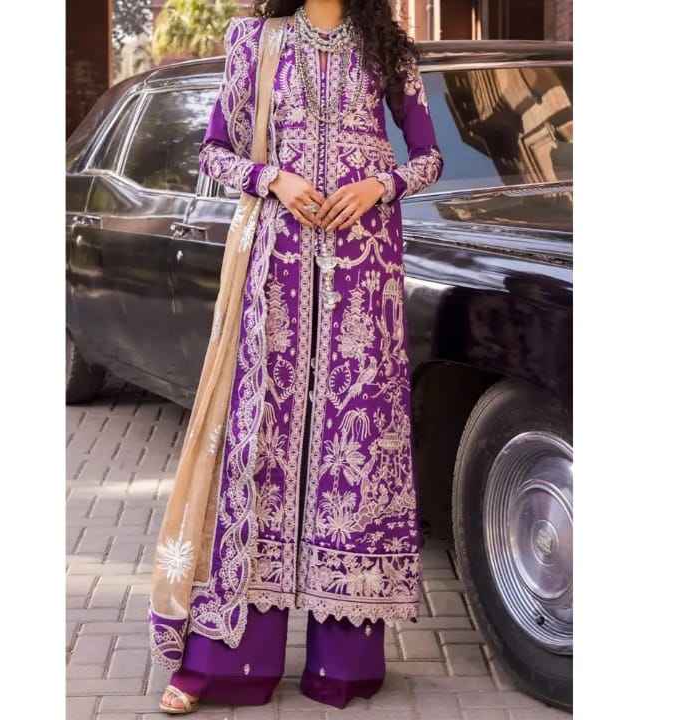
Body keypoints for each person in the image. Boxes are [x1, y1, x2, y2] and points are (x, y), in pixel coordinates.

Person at [152, 0, 444, 712]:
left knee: (351, 442)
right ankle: (229, 662)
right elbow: (214, 152)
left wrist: (380, 185)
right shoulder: (255, 40)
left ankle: (343, 660)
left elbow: (428, 156)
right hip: (276, 270)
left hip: (363, 273)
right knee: (265, 439)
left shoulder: (388, 47)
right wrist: (274, 179)